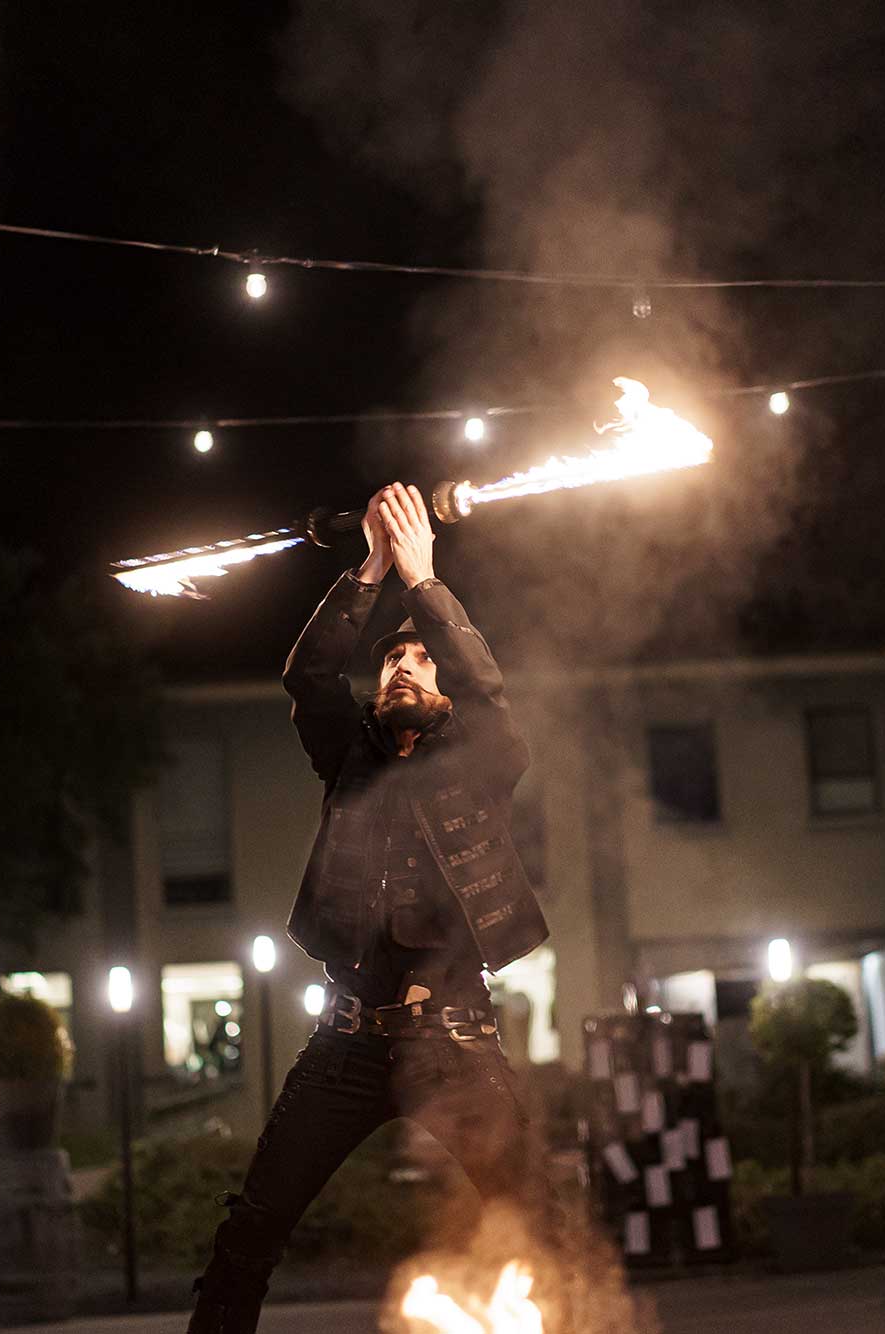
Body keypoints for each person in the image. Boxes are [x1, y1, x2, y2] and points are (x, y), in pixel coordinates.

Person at [187, 482, 550, 1333]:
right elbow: (309, 675)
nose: (402, 665)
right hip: (346, 1044)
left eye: (420, 658)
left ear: (445, 688)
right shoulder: (348, 757)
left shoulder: (484, 756)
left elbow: (487, 691)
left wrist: (424, 580)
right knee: (251, 1230)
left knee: (539, 1222)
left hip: (455, 1041)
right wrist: (371, 570)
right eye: (390, 660)